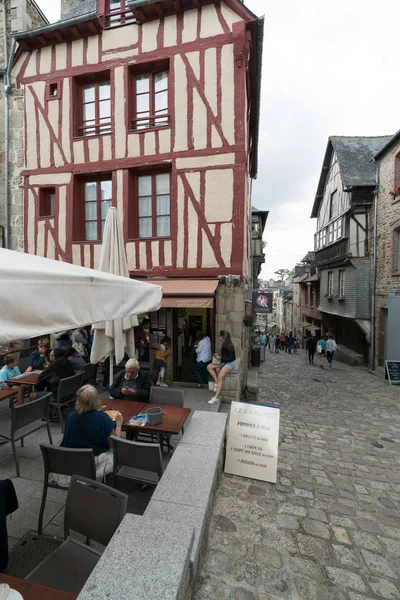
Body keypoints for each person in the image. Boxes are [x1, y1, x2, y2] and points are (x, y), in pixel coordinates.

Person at [56, 385, 123, 485]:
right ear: (96, 399)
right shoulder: (103, 417)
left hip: (70, 462)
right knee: (114, 451)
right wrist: (119, 423)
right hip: (94, 464)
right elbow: (114, 443)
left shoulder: (71, 417)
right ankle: (110, 484)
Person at [207, 330, 236, 405]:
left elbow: (232, 358)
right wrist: (218, 355)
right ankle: (216, 383)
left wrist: (220, 358)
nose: (219, 337)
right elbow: (224, 355)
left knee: (220, 377)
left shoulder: (229, 345)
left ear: (223, 337)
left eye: (220, 335)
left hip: (230, 363)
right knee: (209, 367)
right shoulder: (224, 344)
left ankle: (216, 397)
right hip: (224, 361)